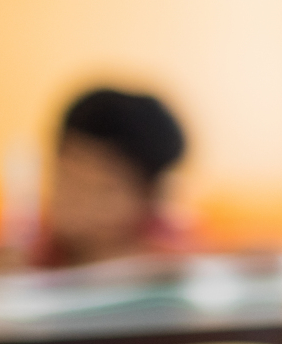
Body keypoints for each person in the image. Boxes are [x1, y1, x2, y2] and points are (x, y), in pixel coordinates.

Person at [36, 88, 189, 267]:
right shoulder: (30, 260)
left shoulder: (171, 270)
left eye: (102, 191)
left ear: (149, 196)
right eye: (65, 179)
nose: (78, 203)